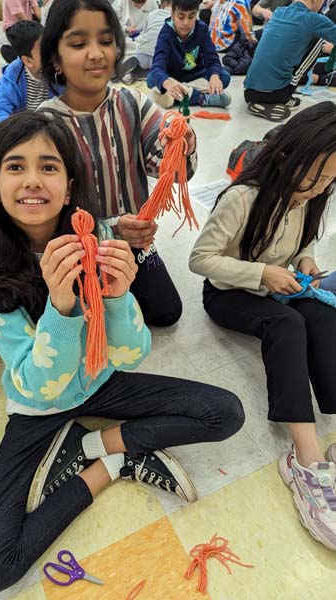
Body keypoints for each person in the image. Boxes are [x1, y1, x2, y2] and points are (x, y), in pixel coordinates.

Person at [0, 110, 245, 594]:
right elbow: (36, 383)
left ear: (70, 187)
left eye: (49, 167)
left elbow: (130, 356)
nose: (32, 180)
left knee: (225, 413)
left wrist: (116, 298)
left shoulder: (99, 236)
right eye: (15, 166)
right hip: (39, 406)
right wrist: (63, 306)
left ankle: (97, 448)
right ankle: (111, 464)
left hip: (100, 381)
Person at [189, 102, 336, 552]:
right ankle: (304, 460)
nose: (319, 188)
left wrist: (305, 260)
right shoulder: (243, 198)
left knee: (323, 313)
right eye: (315, 176)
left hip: (278, 283)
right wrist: (261, 274)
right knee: (287, 324)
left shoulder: (310, 200)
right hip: (229, 292)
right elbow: (200, 260)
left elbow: (303, 239)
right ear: (286, 156)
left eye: (330, 180)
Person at [38, 0, 198, 327]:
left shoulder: (132, 102)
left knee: (166, 311)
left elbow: (166, 168)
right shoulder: (44, 125)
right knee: (85, 316)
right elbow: (44, 211)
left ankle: (114, 292)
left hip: (132, 244)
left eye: (106, 41)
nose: (96, 53)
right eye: (79, 44)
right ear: (56, 57)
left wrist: (181, 145)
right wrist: (110, 227)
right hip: (75, 247)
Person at [244, 0, 336, 121]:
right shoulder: (314, 19)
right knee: (319, 42)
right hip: (275, 93)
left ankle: (258, 102)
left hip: (249, 89)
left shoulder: (278, 12)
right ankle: (285, 95)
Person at [147, 0, 232, 108]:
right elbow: (157, 66)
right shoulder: (166, 34)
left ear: (196, 14)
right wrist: (166, 81)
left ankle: (177, 94)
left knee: (224, 77)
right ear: (172, 15)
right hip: (173, 77)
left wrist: (214, 76)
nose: (186, 23)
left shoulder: (201, 29)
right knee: (151, 79)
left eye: (191, 17)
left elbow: (212, 59)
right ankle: (202, 98)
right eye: (181, 17)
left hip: (196, 76)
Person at [0, 20, 49, 123]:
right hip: (25, 127)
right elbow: (0, 109)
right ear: (28, 61)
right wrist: (14, 130)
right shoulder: (13, 76)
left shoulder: (58, 67)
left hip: (53, 125)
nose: (50, 52)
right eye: (43, 50)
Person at [117, 0, 173, 83]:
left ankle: (137, 66)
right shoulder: (176, 18)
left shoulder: (153, 13)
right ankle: (149, 72)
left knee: (133, 46)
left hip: (142, 53)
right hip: (158, 57)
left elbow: (144, 35)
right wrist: (125, 28)